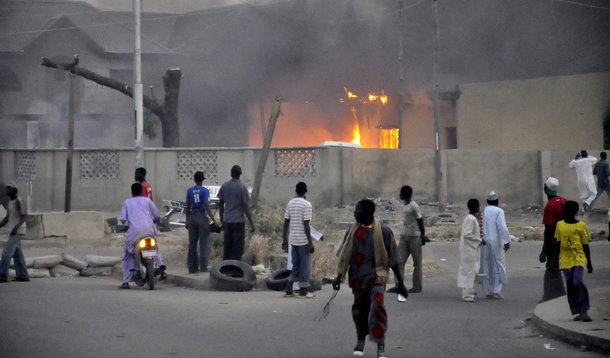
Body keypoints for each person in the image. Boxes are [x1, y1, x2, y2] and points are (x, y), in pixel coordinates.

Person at [333, 199, 407, 358]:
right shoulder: (352, 231)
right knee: (360, 311)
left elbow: (393, 260)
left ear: (366, 213)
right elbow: (344, 257)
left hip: (377, 277)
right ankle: (360, 340)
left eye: (357, 210)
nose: (354, 212)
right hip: (358, 278)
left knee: (378, 307)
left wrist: (401, 283)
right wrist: (338, 277)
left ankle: (381, 346)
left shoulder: (385, 232)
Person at [117, 183, 164, 289]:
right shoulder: (148, 201)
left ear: (132, 191)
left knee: (128, 255)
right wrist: (157, 221)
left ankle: (126, 282)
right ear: (142, 191)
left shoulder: (127, 202)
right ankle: (161, 265)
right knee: (155, 247)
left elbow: (123, 219)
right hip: (148, 230)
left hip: (134, 233)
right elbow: (157, 215)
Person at [555, 200, 593, 322]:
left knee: (577, 281)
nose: (562, 210)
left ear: (572, 211)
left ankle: (584, 309)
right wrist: (555, 260)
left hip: (578, 258)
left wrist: (589, 261)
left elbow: (585, 244)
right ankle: (577, 311)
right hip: (565, 260)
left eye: (565, 208)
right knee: (570, 284)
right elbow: (558, 243)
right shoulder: (560, 225)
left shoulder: (581, 226)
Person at [388, 185, 426, 294]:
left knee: (417, 263)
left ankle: (417, 286)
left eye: (401, 193)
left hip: (414, 237)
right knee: (399, 261)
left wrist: (422, 235)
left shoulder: (414, 206)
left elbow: (420, 221)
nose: (399, 195)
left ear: (404, 194)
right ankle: (398, 285)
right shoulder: (405, 206)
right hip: (404, 237)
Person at [281, 182, 315, 298]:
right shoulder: (307, 205)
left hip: (293, 239)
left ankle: (289, 288)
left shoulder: (290, 203)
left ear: (296, 190)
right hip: (303, 240)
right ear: (306, 191)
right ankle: (303, 289)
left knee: (295, 265)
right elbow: (306, 225)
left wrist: (284, 240)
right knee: (304, 266)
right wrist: (310, 243)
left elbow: (286, 223)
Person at [218, 165, 255, 261]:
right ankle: (236, 270)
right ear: (240, 175)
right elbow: (245, 206)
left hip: (227, 221)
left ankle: (225, 269)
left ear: (231, 174)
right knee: (237, 247)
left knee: (227, 246)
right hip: (238, 221)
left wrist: (222, 219)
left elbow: (220, 204)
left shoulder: (224, 186)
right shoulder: (242, 187)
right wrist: (251, 223)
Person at [538, 177, 566, 302]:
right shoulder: (563, 201)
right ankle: (560, 293)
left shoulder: (550, 206)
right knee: (556, 268)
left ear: (546, 189)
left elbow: (549, 230)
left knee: (551, 268)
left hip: (554, 243)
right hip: (564, 240)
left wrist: (544, 251)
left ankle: (549, 296)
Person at [185, 171, 219, 273]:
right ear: (202, 180)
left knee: (192, 244)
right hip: (201, 217)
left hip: (192, 217)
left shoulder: (189, 191)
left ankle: (192, 268)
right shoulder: (205, 191)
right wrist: (213, 220)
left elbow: (188, 206)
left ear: (195, 180)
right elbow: (206, 205)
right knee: (204, 243)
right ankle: (203, 267)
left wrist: (187, 220)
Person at [480, 190, 511, 299]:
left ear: (487, 201)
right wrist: (507, 241)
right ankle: (496, 290)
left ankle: (487, 291)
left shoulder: (484, 210)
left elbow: (481, 225)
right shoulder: (499, 211)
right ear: (497, 201)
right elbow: (502, 227)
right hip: (496, 241)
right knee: (498, 264)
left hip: (484, 240)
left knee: (486, 265)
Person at [0, 183, 30, 283]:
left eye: (9, 189)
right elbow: (7, 218)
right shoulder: (10, 203)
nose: (7, 191)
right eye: (7, 189)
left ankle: (3, 276)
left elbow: (24, 216)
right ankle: (23, 276)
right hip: (13, 230)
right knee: (18, 255)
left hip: (18, 230)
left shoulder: (19, 200)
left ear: (14, 190)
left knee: (6, 253)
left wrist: (17, 227)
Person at [457, 199, 485, 302]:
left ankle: (469, 290)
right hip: (469, 249)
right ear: (476, 207)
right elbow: (467, 234)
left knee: (468, 270)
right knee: (469, 271)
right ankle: (468, 295)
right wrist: (480, 240)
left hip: (467, 248)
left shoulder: (469, 218)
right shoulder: (472, 219)